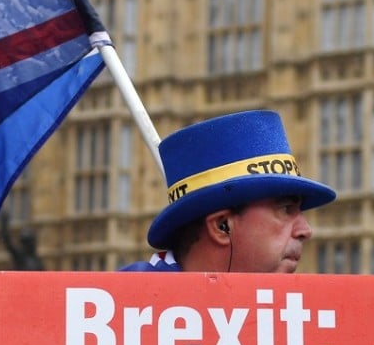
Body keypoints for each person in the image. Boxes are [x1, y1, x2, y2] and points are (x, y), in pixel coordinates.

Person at [121, 110, 336, 273]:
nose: (306, 230)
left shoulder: (291, 320)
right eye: (286, 209)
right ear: (221, 226)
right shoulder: (117, 314)